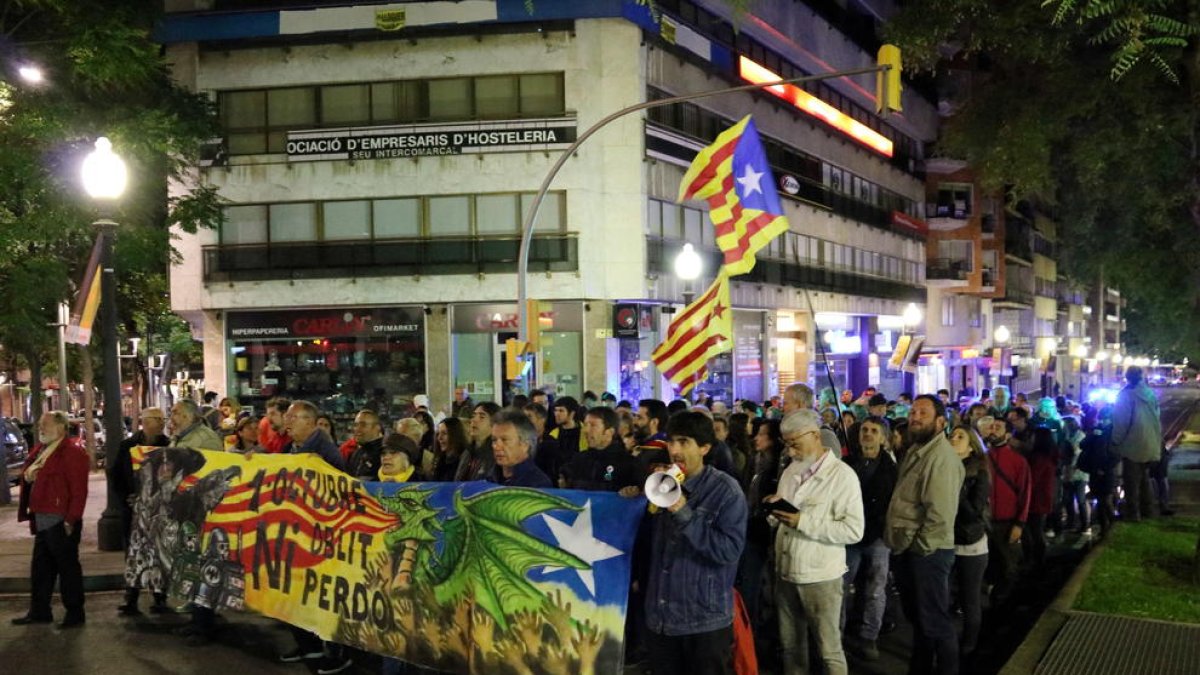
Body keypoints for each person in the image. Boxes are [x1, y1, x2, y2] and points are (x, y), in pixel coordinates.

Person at [642, 411, 747, 675]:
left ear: (704, 447)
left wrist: (683, 512)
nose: (674, 450)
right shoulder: (662, 483)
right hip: (661, 618)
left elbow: (729, 551)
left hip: (703, 622)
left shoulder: (726, 491)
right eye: (670, 442)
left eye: (683, 442)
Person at [768, 410, 864, 675]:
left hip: (821, 577)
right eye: (786, 444)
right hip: (786, 571)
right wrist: (774, 514)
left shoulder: (842, 477)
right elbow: (785, 517)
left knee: (828, 649)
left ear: (814, 435)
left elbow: (853, 530)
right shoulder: (790, 472)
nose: (790, 451)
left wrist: (802, 522)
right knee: (791, 647)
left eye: (794, 443)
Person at [885, 395, 963, 675]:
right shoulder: (918, 450)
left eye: (923, 413)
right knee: (921, 622)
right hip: (911, 550)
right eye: (913, 411)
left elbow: (939, 516)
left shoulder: (940, 458)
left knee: (934, 622)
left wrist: (919, 549)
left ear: (940, 422)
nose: (915, 417)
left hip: (927, 553)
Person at [11, 411, 90, 628]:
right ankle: (40, 611)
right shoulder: (42, 450)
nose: (40, 428)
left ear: (61, 428)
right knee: (41, 568)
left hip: (60, 519)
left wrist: (71, 519)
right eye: (40, 424)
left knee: (67, 568)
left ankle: (75, 613)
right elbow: (27, 472)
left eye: (44, 424)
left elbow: (78, 491)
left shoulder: (72, 453)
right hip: (43, 517)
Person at [841, 416, 897, 661]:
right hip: (849, 534)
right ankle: (837, 635)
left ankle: (869, 635)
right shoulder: (847, 463)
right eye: (864, 429)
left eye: (874, 431)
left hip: (878, 535)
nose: (868, 434)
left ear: (883, 438)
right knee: (840, 588)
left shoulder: (892, 468)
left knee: (876, 589)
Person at [115, 407, 171, 616]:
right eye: (155, 420)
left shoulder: (168, 446)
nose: (160, 423)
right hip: (133, 510)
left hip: (159, 510)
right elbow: (116, 476)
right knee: (133, 553)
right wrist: (126, 498)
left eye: (159, 419)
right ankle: (131, 597)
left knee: (159, 553)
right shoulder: (128, 446)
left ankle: (160, 597)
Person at [948, 424, 991, 659]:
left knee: (969, 597)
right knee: (942, 596)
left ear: (972, 446)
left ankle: (969, 645)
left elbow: (974, 511)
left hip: (970, 543)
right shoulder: (945, 468)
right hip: (945, 541)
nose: (954, 438)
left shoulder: (978, 472)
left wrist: (957, 488)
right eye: (952, 435)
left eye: (960, 436)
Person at [738, 419, 783, 630]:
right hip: (752, 531)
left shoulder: (780, 469)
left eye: (762, 434)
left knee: (772, 587)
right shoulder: (755, 461)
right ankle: (751, 631)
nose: (757, 438)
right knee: (751, 584)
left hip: (770, 533)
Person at [983, 416, 1031, 604]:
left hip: (1007, 521)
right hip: (985, 521)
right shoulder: (982, 458)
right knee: (990, 564)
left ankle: (1006, 606)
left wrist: (1019, 523)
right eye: (991, 427)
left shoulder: (1018, 461)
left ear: (1008, 434)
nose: (992, 430)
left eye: (998, 427)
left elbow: (1025, 494)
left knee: (1008, 565)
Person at [1110, 366, 1163, 521]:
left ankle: (1133, 514)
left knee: (1131, 482)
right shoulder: (1150, 393)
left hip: (1133, 445)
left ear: (1127, 377)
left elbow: (1121, 422)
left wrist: (1115, 441)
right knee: (1145, 479)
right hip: (1150, 443)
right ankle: (1148, 510)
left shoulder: (1126, 395)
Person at [561, 406, 640, 491]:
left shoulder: (628, 464)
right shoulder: (578, 460)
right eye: (585, 425)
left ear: (609, 432)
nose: (586, 430)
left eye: (593, 425)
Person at [488, 410, 553, 488]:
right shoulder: (487, 479)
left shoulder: (538, 484)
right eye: (494, 440)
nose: (496, 446)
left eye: (505, 440)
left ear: (525, 445)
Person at [1025, 427, 1059, 567]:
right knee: (1036, 530)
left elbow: (1032, 480)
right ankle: (1038, 558)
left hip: (1036, 500)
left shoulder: (1039, 459)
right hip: (1042, 499)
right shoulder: (1048, 456)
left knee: (1034, 531)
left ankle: (1037, 559)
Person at [456, 401, 500, 481]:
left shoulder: (496, 453)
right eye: (473, 416)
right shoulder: (468, 452)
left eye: (482, 417)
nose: (474, 420)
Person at [346, 410, 385, 481]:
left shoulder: (386, 453)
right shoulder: (356, 453)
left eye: (363, 425)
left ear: (377, 428)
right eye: (356, 425)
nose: (357, 429)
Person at [432, 417, 469, 482]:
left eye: (444, 433)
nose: (439, 438)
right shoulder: (441, 460)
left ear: (455, 435)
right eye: (438, 434)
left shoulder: (463, 460)